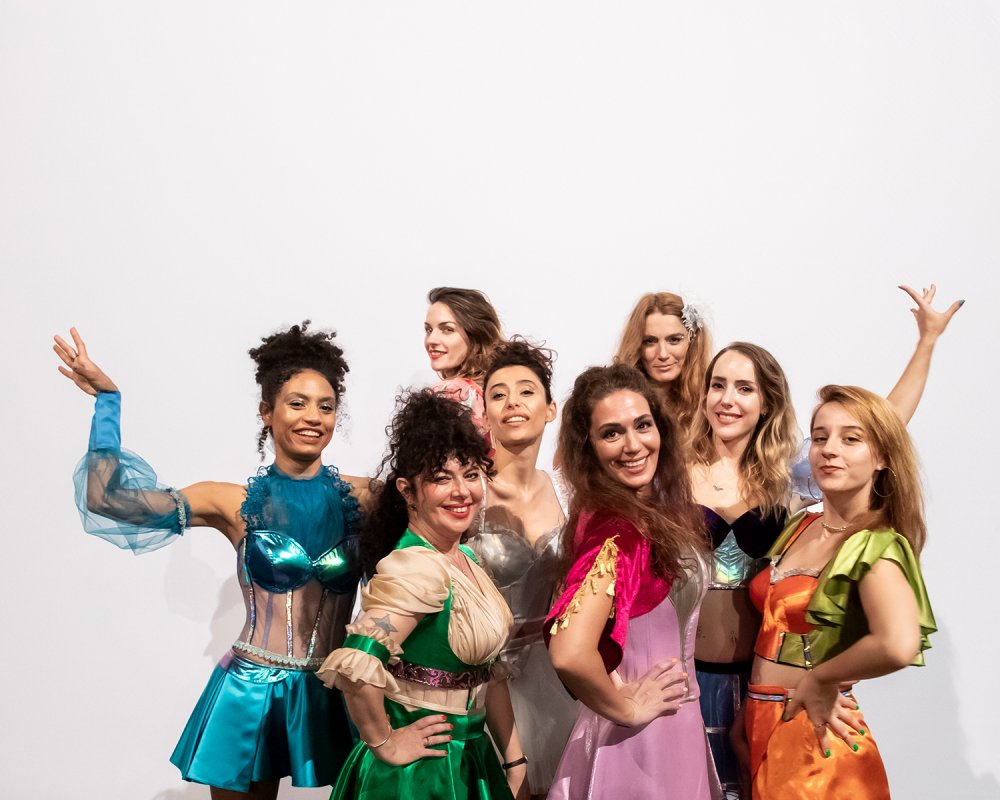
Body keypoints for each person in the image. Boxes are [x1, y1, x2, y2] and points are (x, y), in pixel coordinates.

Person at [54, 323, 365, 800]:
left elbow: (452, 503)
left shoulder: (366, 497)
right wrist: (108, 403)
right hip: (251, 691)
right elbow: (107, 499)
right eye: (297, 403)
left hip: (336, 687)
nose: (313, 417)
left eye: (326, 406)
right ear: (267, 412)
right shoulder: (229, 501)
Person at [687, 283, 962, 799]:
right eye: (717, 385)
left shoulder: (790, 479)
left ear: (767, 402)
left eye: (744, 388)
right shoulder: (674, 471)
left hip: (773, 696)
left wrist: (925, 343)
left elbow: (883, 426)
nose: (728, 399)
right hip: (703, 686)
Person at [317, 389, 526, 800]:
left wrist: (514, 758)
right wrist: (385, 741)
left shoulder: (466, 558)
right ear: (408, 491)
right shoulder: (415, 567)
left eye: (470, 474)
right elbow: (357, 665)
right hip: (420, 776)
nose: (462, 491)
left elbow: (489, 673)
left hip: (470, 757)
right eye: (441, 478)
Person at [741, 385, 936, 799]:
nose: (830, 449)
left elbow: (898, 643)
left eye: (851, 439)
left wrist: (821, 678)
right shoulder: (802, 526)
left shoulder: (874, 543)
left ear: (881, 457)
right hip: (761, 721)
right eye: (820, 437)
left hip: (814, 735)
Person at [544, 364, 715, 800]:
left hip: (673, 725)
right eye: (612, 433)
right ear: (588, 447)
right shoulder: (618, 531)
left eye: (642, 425)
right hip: (642, 741)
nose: (633, 445)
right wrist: (626, 707)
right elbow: (570, 652)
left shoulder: (647, 512)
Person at [464, 339, 578, 798]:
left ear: (550, 409)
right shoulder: (467, 492)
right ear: (485, 414)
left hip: (555, 676)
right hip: (478, 681)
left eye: (526, 391)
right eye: (498, 394)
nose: (513, 402)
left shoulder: (571, 491)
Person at [613, 291, 713, 435]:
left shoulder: (710, 404)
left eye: (674, 340)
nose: (663, 354)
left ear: (692, 342)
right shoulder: (615, 402)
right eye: (650, 341)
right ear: (637, 346)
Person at [425, 286, 505, 436]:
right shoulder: (494, 394)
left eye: (447, 329)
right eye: (429, 330)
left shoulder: (452, 393)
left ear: (475, 335)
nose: (431, 340)